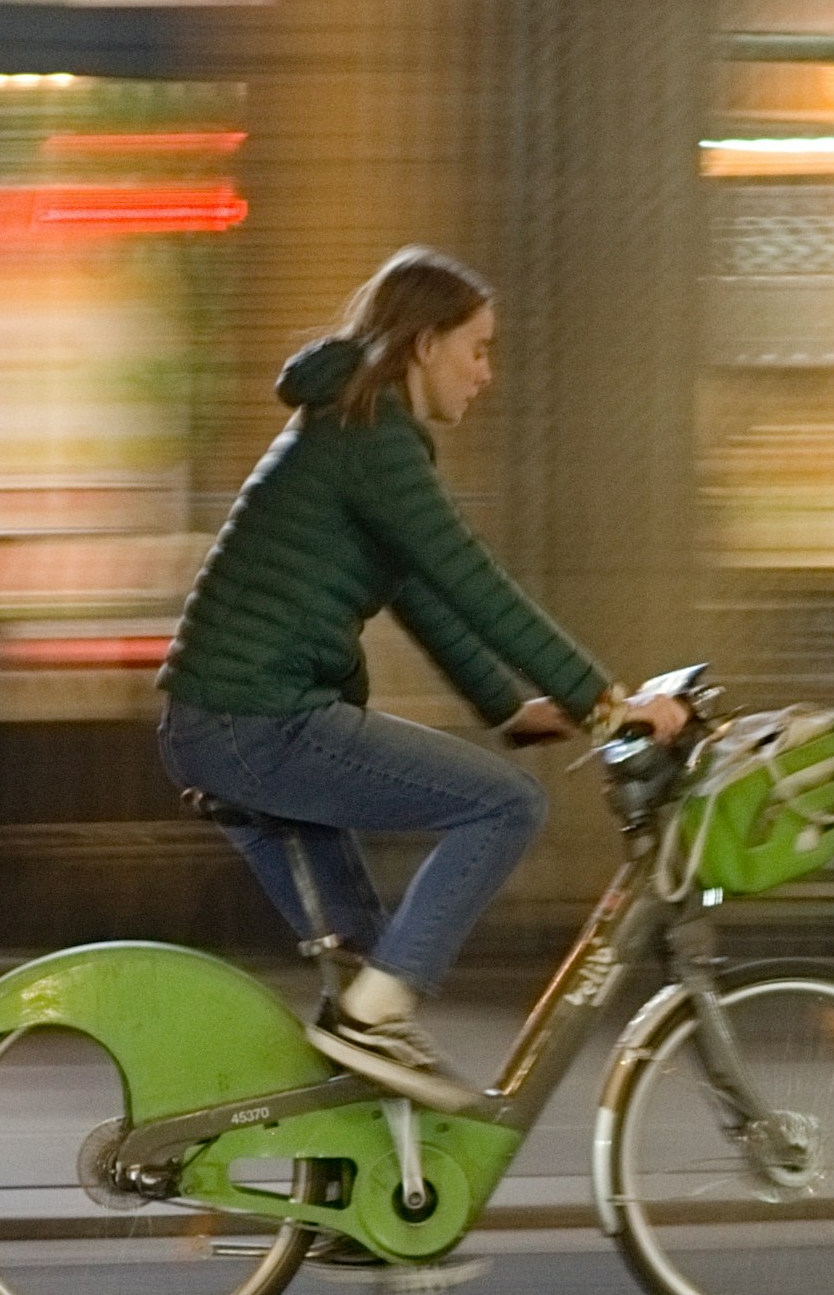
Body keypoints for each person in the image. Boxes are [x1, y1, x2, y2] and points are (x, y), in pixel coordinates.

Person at [155, 245, 687, 1108]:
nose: (487, 373)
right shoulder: (369, 438)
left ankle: (366, 1220)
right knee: (504, 804)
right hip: (255, 723)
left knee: (371, 980)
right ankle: (368, 1025)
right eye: (478, 348)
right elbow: (471, 579)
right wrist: (607, 705)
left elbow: (424, 594)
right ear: (425, 345)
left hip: (228, 723)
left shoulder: (354, 429)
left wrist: (511, 711)